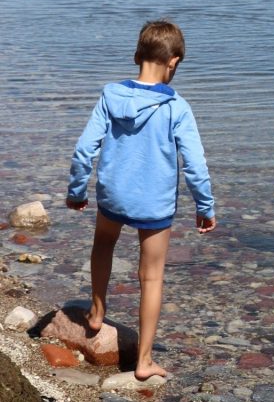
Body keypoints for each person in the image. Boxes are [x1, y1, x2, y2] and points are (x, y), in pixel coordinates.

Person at [66, 20, 216, 380]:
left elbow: (85, 148)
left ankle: (97, 312)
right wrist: (204, 206)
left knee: (103, 244)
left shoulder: (111, 94)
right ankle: (144, 361)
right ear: (174, 62)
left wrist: (76, 191)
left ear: (137, 56)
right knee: (151, 277)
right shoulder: (176, 107)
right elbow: (194, 163)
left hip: (113, 195)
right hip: (154, 203)